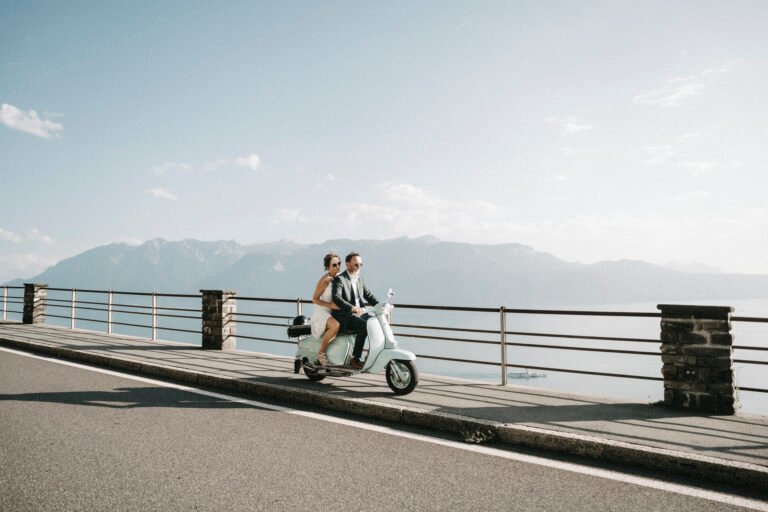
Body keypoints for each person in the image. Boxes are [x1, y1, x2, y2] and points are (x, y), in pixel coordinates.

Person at [331, 251, 378, 369]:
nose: (358, 267)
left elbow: (367, 295)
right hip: (345, 315)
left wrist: (381, 305)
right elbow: (336, 297)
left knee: (376, 323)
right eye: (356, 264)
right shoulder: (340, 279)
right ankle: (355, 358)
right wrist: (351, 308)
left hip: (359, 313)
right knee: (365, 326)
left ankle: (373, 354)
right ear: (347, 264)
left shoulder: (359, 279)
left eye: (360, 265)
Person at [309, 252, 342, 367]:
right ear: (328, 267)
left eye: (339, 264)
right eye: (334, 265)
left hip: (332, 311)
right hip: (321, 312)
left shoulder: (339, 278)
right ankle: (321, 352)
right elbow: (314, 299)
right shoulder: (325, 280)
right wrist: (331, 306)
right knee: (335, 325)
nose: (337, 267)